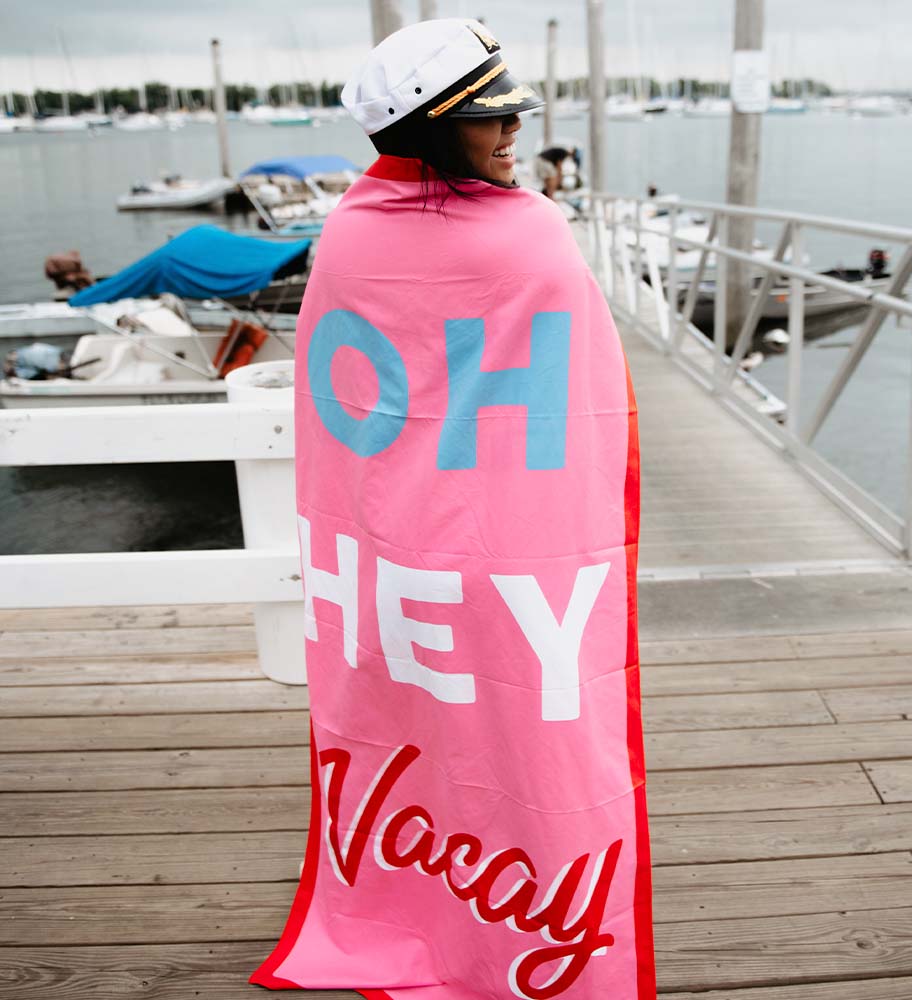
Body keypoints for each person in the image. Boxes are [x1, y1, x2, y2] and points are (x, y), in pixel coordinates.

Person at [250, 18, 655, 1000]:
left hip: (393, 565)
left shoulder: (346, 231)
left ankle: (414, 909)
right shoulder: (530, 229)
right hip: (517, 560)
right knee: (527, 751)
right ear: (430, 126)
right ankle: (529, 929)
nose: (513, 130)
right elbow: (588, 397)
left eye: (514, 112)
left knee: (416, 737)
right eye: (489, 116)